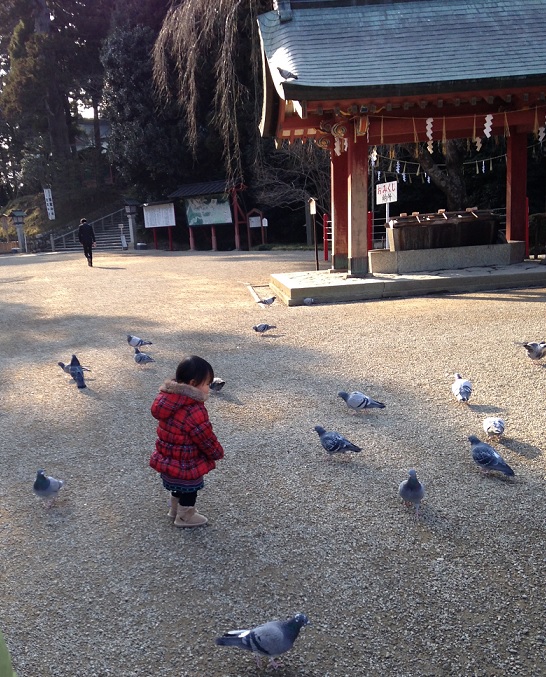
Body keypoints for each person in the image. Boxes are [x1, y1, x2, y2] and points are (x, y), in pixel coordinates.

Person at [149, 355, 224, 528]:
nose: (208, 388)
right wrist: (217, 452)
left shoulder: (167, 400)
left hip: (169, 458)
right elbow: (204, 437)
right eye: (206, 384)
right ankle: (185, 516)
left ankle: (174, 509)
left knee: (177, 486)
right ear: (192, 383)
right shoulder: (193, 409)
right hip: (186, 461)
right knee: (190, 489)